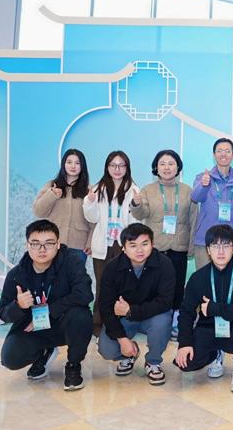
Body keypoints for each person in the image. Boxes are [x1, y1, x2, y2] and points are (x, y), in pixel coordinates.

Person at [0, 219, 93, 391]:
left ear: (58, 244)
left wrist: (49, 310)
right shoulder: (17, 274)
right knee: (10, 358)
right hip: (34, 327)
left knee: (81, 316)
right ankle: (44, 352)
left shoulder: (71, 262)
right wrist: (18, 305)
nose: (42, 249)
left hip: (63, 323)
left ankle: (73, 365)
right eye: (35, 244)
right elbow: (3, 313)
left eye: (49, 243)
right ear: (27, 245)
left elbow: (85, 294)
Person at [174, 224, 233, 393]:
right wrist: (184, 343)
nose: (221, 252)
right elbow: (186, 313)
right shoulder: (198, 277)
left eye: (226, 246)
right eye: (215, 246)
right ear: (208, 250)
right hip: (208, 328)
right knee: (185, 364)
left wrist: (215, 309)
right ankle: (215, 354)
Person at [97, 223, 175, 385]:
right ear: (124, 248)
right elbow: (105, 307)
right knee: (107, 349)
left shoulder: (164, 264)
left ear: (152, 244)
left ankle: (153, 362)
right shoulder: (112, 268)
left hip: (153, 316)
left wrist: (130, 310)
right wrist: (122, 339)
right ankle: (129, 354)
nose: (140, 250)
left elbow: (165, 302)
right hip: (125, 319)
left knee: (162, 321)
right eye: (133, 245)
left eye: (144, 244)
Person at [130, 149, 197, 314]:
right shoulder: (147, 190)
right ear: (156, 168)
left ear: (178, 167)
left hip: (179, 246)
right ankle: (153, 317)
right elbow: (141, 214)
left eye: (171, 163)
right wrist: (136, 204)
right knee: (153, 285)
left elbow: (194, 219)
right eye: (162, 164)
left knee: (177, 285)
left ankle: (175, 318)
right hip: (156, 246)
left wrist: (191, 246)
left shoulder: (188, 190)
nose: (167, 167)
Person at [83, 150, 140, 335]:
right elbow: (91, 217)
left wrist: (136, 205)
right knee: (102, 285)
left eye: (121, 165)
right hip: (102, 244)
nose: (117, 169)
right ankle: (98, 324)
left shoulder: (133, 190)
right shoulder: (98, 189)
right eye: (113, 165)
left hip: (122, 245)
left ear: (127, 168)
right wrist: (90, 202)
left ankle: (120, 323)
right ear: (107, 167)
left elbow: (136, 221)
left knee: (122, 286)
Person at [191, 138, 233, 267]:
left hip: (230, 242)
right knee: (204, 278)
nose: (223, 154)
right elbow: (195, 197)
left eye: (227, 151)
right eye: (220, 151)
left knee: (228, 278)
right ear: (214, 155)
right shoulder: (203, 177)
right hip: (205, 240)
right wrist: (203, 185)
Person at [32, 148, 94, 264]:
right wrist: (51, 195)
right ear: (63, 164)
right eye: (69, 162)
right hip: (53, 244)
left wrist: (90, 243)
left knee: (75, 276)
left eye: (77, 163)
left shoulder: (89, 190)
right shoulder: (52, 186)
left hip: (78, 246)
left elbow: (94, 221)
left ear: (82, 166)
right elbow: (38, 211)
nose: (73, 166)